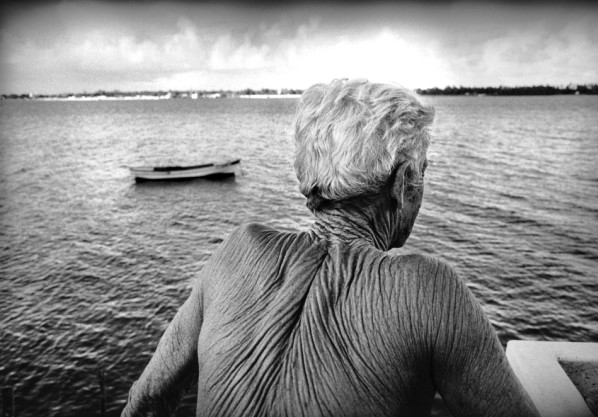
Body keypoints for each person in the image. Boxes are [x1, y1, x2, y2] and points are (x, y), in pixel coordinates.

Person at [122, 79, 539, 417]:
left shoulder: (236, 252)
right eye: (422, 173)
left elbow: (145, 402)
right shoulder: (429, 292)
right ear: (402, 184)